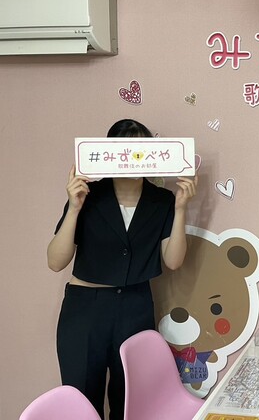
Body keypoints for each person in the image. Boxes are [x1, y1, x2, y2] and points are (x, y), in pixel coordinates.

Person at [47, 119, 198, 419]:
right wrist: (74, 207)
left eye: (142, 149)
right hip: (85, 309)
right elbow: (55, 261)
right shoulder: (88, 195)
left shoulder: (162, 200)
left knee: (130, 398)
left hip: (135, 306)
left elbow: (173, 261)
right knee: (81, 398)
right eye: (126, 149)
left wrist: (181, 208)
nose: (134, 157)